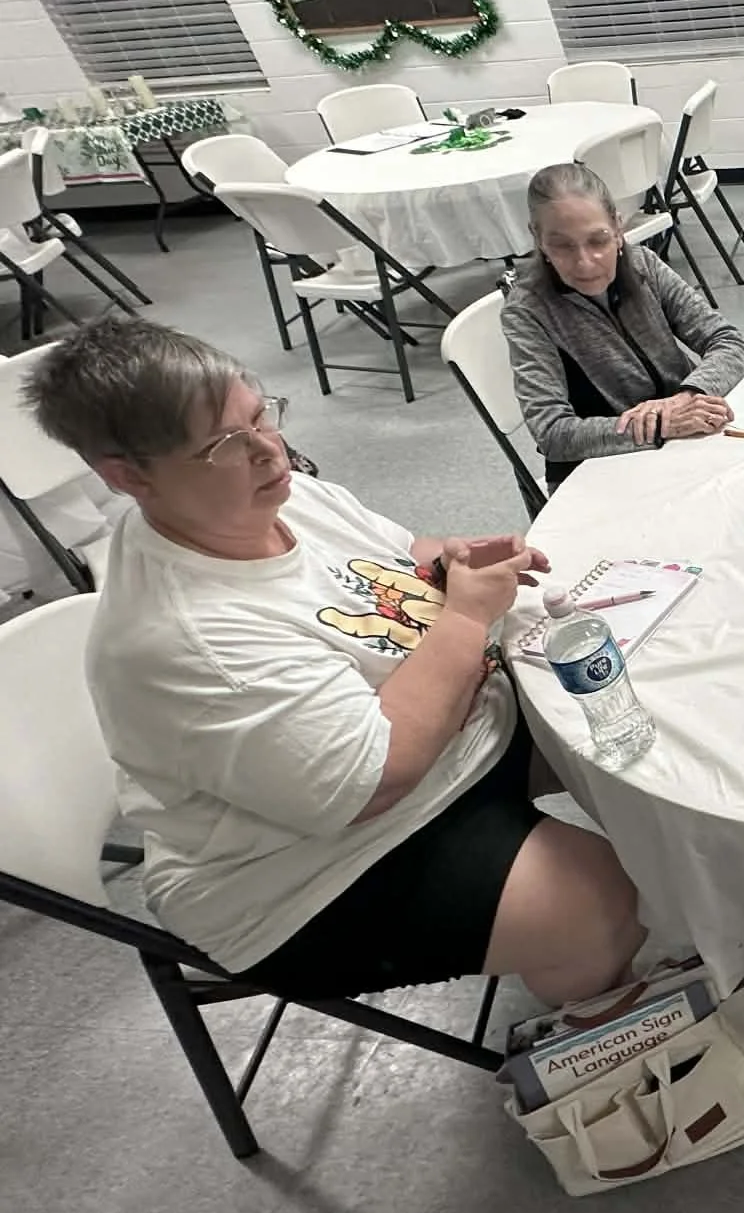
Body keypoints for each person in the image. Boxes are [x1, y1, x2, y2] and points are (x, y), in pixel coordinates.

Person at [26, 317, 646, 1006]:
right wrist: (466, 616)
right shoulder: (180, 636)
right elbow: (371, 779)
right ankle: (596, 1034)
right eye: (227, 444)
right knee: (602, 900)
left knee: (630, 720)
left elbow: (401, 554)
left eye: (263, 415)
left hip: (440, 752)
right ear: (127, 476)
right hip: (312, 870)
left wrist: (452, 563)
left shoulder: (270, 493)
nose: (270, 453)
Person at [504, 162, 744, 492]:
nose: (585, 262)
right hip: (601, 468)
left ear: (618, 228)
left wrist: (685, 397)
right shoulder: (527, 310)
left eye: (598, 240)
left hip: (685, 434)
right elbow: (552, 433)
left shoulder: (643, 265)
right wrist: (660, 424)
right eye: (562, 245)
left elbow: (726, 341)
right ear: (538, 239)